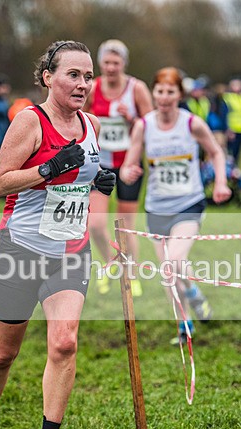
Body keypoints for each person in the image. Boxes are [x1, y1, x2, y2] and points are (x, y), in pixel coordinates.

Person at [0, 40, 116, 429]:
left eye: (88, 76)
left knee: (65, 340)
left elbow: (81, 178)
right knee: (2, 353)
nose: (83, 84)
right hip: (19, 251)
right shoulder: (28, 122)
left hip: (69, 251)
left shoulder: (91, 124)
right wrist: (49, 169)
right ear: (48, 77)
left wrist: (100, 182)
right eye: (73, 74)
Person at [122, 66, 230, 341]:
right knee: (169, 271)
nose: (165, 97)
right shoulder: (143, 126)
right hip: (157, 207)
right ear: (154, 92)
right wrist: (128, 172)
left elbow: (216, 152)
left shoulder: (191, 123)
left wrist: (220, 182)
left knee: (174, 261)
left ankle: (192, 299)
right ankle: (186, 321)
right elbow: (127, 165)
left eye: (171, 91)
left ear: (179, 94)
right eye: (160, 91)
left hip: (188, 204)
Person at [83, 39, 153, 296]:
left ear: (124, 63)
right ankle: (109, 263)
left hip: (129, 165)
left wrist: (130, 118)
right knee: (96, 224)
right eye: (107, 62)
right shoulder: (92, 88)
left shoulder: (137, 89)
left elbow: (150, 126)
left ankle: (130, 273)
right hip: (100, 164)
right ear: (100, 63)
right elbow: (81, 119)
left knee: (125, 225)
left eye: (116, 62)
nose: (111, 67)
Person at [223, 77, 241, 165]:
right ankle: (229, 168)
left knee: (238, 152)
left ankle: (235, 168)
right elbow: (225, 114)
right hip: (233, 129)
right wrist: (227, 129)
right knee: (231, 151)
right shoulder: (227, 98)